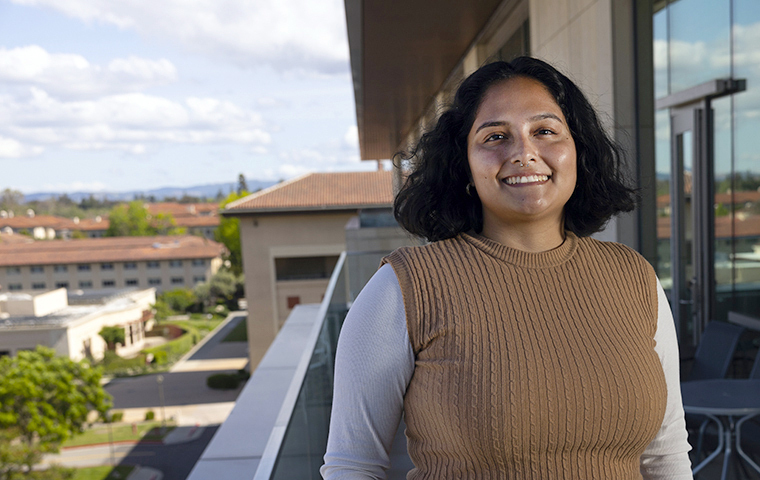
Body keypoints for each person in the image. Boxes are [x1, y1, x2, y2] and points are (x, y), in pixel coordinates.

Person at [321, 57, 692, 479]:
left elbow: (666, 456)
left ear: (577, 152)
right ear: (464, 165)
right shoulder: (405, 288)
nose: (524, 153)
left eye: (545, 131)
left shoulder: (634, 279)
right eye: (495, 136)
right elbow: (353, 465)